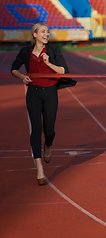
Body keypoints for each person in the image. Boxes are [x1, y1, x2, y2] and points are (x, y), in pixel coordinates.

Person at [11, 23, 70, 186]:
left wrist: (49, 63)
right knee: (36, 128)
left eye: (48, 32)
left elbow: (64, 71)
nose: (47, 34)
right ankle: (39, 168)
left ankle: (48, 144)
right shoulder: (25, 52)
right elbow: (13, 69)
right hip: (33, 94)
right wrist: (22, 77)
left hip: (51, 92)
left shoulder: (53, 50)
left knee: (49, 130)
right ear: (35, 34)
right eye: (43, 32)